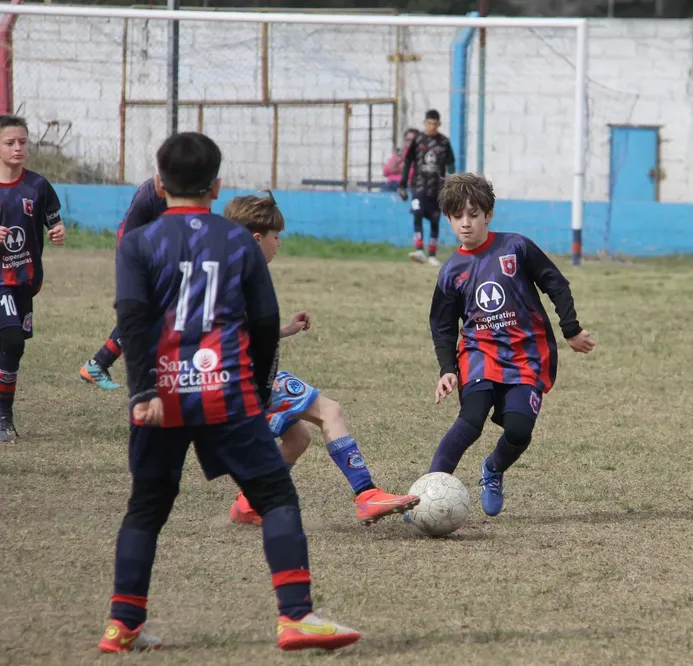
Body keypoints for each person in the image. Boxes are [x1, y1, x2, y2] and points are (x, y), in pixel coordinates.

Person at [98, 132, 361, 653]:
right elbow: (263, 324)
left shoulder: (137, 242)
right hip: (227, 395)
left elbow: (132, 319)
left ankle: (122, 624)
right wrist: (259, 391)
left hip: (161, 398)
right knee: (276, 497)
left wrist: (142, 391)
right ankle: (297, 616)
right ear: (216, 186)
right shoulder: (239, 241)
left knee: (145, 508)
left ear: (158, 181)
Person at [222, 190, 420, 527]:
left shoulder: (229, 273)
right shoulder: (241, 281)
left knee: (298, 437)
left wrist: (283, 330)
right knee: (330, 410)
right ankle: (366, 495)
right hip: (249, 385)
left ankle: (249, 503)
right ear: (257, 239)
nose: (279, 244)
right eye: (276, 237)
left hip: (241, 384)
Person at [425, 173, 596, 516]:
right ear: (448, 219)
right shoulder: (451, 272)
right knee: (470, 420)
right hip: (479, 353)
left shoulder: (515, 247)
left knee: (519, 430)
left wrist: (571, 329)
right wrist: (447, 369)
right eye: (458, 216)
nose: (466, 223)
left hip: (525, 355)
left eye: (473, 214)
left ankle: (493, 469)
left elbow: (555, 283)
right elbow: (442, 325)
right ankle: (429, 491)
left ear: (488, 214)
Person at [0, 115, 66, 441]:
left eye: (22, 142)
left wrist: (57, 230)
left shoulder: (38, 186)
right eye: (10, 143)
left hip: (24, 280)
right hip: (1, 282)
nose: (17, 148)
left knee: (13, 348)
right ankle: (4, 417)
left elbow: (53, 219)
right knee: (10, 340)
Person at [79, 177, 166, 390]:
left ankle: (98, 364)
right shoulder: (149, 194)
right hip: (138, 254)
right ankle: (98, 364)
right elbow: (128, 235)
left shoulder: (187, 190)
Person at [399, 110, 454, 266]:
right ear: (425, 123)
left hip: (437, 188)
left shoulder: (444, 142)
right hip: (419, 186)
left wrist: (452, 183)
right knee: (417, 213)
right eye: (429, 123)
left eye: (435, 124)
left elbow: (451, 164)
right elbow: (408, 162)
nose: (432, 126)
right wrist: (402, 184)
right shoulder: (417, 140)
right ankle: (419, 250)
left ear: (439, 124)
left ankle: (432, 254)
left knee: (434, 220)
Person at [381, 127, 418, 193]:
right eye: (408, 140)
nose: (410, 142)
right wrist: (395, 163)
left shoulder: (419, 155)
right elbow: (385, 172)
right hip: (391, 184)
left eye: (413, 140)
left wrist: (396, 169)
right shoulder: (399, 153)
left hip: (407, 185)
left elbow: (412, 173)